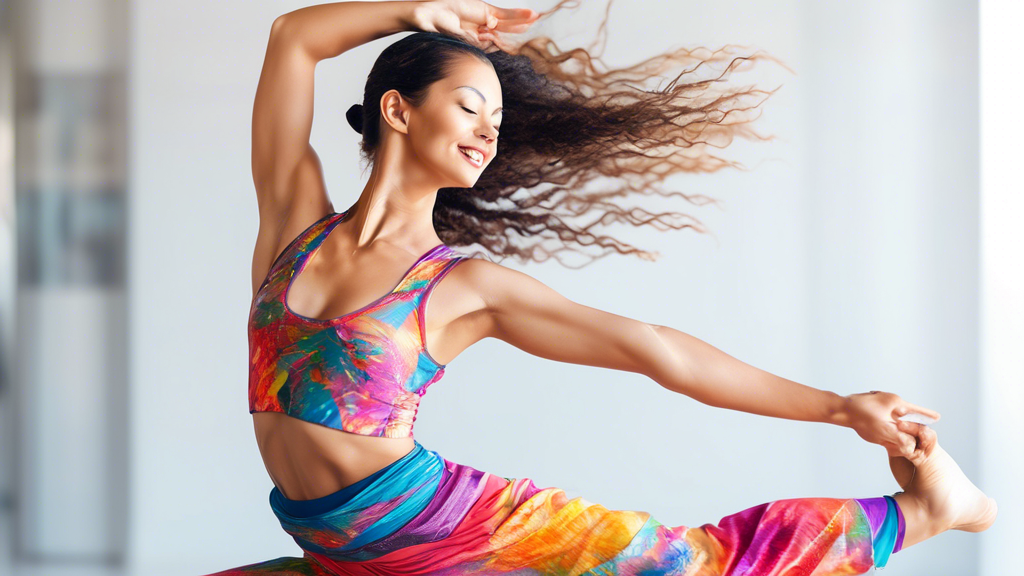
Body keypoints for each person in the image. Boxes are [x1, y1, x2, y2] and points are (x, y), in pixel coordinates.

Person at [210, 1, 997, 574]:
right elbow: (292, 38)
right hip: (336, 550)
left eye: (499, 119)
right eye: (470, 106)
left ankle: (928, 511)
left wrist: (837, 406)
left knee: (693, 565)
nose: (490, 130)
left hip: (443, 529)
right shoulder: (292, 224)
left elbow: (655, 352)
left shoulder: (459, 288)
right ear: (398, 110)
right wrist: (416, 11)